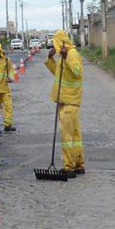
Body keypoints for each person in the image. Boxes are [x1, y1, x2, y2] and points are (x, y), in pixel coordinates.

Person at [45, 29, 84, 174]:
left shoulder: (71, 53)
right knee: (75, 135)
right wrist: (50, 59)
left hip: (70, 101)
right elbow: (58, 74)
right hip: (65, 100)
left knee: (66, 135)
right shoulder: (63, 55)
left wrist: (67, 56)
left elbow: (77, 72)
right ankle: (79, 164)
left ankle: (69, 167)